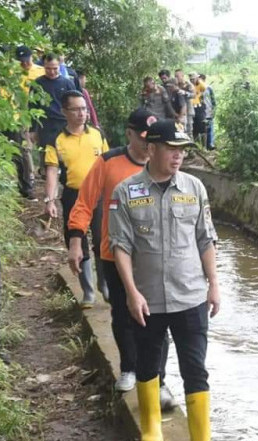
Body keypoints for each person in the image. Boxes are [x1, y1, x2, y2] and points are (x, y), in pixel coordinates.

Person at [109, 119, 227, 441]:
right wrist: (131, 293)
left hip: (190, 296)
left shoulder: (194, 187)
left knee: (196, 369)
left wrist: (214, 285)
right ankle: (151, 427)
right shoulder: (126, 192)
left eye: (182, 150)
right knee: (147, 363)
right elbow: (120, 247)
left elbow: (206, 238)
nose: (178, 156)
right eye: (171, 149)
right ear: (152, 149)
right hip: (148, 299)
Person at [66, 109, 173, 406]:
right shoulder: (109, 162)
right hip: (113, 254)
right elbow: (85, 202)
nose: (148, 144)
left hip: (151, 258)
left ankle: (158, 380)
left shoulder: (162, 164)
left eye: (153, 139)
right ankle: (128, 367)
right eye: (143, 138)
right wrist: (76, 242)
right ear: (129, 134)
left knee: (157, 319)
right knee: (123, 314)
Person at [44, 90, 109, 308]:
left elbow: (109, 164)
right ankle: (88, 292)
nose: (82, 113)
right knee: (77, 243)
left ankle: (105, 285)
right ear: (65, 112)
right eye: (76, 109)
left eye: (84, 109)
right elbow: (52, 171)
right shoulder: (57, 140)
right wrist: (50, 200)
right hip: (74, 195)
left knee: (102, 240)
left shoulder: (97, 135)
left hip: (99, 195)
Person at [31, 53, 76, 176]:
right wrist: (32, 130)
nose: (51, 72)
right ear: (43, 66)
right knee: (48, 159)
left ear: (59, 66)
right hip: (45, 124)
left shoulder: (67, 83)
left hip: (64, 123)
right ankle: (51, 189)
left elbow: (75, 103)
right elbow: (32, 107)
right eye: (48, 68)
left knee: (66, 156)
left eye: (54, 68)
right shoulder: (38, 84)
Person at [13, 45, 43, 200]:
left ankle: (45, 173)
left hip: (39, 114)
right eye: (21, 61)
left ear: (32, 57)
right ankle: (28, 183)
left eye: (26, 60)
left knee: (44, 147)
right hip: (21, 115)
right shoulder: (14, 72)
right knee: (25, 150)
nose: (24, 64)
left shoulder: (40, 71)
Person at [175, 69, 195, 138]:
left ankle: (190, 146)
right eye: (175, 76)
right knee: (180, 129)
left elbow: (194, 95)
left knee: (189, 130)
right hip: (179, 111)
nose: (176, 78)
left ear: (182, 76)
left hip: (188, 110)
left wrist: (185, 93)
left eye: (177, 76)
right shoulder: (176, 85)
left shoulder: (188, 84)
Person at [199, 74, 216, 151]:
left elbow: (213, 101)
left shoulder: (209, 88)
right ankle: (203, 146)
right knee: (202, 129)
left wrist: (213, 110)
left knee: (209, 128)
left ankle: (210, 144)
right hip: (200, 112)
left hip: (208, 111)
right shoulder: (196, 88)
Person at [189, 73, 207, 146]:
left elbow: (204, 87)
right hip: (192, 108)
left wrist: (198, 80)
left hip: (199, 107)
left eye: (193, 79)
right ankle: (197, 146)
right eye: (191, 79)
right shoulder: (189, 86)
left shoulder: (200, 85)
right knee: (194, 129)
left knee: (202, 128)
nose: (192, 80)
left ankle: (204, 146)